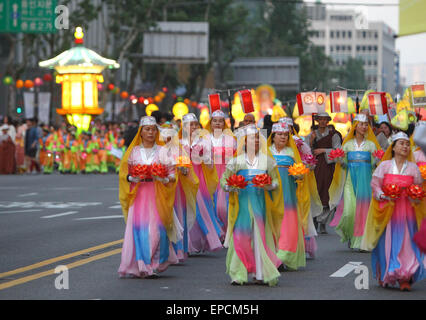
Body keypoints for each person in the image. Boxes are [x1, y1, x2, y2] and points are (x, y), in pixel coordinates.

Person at [361, 132, 425, 291]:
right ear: (393, 147)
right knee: (386, 242)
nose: (405, 146)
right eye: (401, 143)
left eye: (406, 144)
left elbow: (418, 187)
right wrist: (382, 194)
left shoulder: (412, 168)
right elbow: (375, 184)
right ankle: (387, 274)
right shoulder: (385, 166)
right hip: (389, 211)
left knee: (407, 243)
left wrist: (415, 196)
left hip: (407, 213)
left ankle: (405, 276)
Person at [118, 116, 180, 278]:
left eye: (153, 129)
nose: (150, 132)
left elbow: (173, 173)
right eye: (147, 129)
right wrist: (132, 178)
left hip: (157, 194)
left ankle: (153, 263)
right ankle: (144, 266)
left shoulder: (163, 151)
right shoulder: (133, 152)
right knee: (140, 230)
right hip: (138, 194)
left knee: (158, 229)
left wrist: (165, 178)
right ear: (141, 132)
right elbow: (124, 174)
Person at [220, 124, 282, 286]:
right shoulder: (236, 162)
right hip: (241, 207)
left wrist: (269, 186)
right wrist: (230, 187)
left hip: (260, 206)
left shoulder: (268, 162)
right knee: (241, 238)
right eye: (250, 138)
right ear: (244, 142)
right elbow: (224, 181)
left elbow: (275, 181)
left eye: (257, 138)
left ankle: (261, 273)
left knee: (259, 237)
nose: (254, 141)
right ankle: (238, 274)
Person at [329, 114, 381, 250]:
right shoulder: (347, 145)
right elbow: (344, 165)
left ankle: (362, 242)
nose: (364, 127)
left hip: (366, 183)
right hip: (350, 183)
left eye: (366, 124)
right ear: (355, 126)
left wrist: (376, 161)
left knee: (364, 211)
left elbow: (376, 166)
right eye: (361, 124)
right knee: (349, 212)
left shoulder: (371, 145)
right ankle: (350, 234)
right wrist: (339, 160)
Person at [268, 123, 311, 269]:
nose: (283, 137)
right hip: (271, 196)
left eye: (285, 135)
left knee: (288, 228)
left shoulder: (292, 153)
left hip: (288, 197)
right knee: (272, 227)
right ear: (273, 136)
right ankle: (273, 256)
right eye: (279, 134)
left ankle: (283, 257)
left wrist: (299, 176)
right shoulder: (267, 152)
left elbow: (298, 174)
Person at [179, 113, 223, 253]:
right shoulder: (179, 142)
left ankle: (205, 240)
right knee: (186, 210)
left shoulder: (203, 141)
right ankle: (188, 244)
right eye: (189, 125)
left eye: (194, 124)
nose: (192, 127)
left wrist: (204, 157)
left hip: (199, 179)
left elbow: (210, 164)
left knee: (201, 209)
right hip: (184, 179)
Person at [304, 112, 342, 234]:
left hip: (328, 166)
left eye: (324, 120)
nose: (322, 122)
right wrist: (311, 142)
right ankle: (315, 219)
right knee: (316, 191)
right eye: (320, 119)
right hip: (315, 166)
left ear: (328, 121)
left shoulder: (334, 135)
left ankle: (323, 223)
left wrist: (323, 150)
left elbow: (338, 150)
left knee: (327, 192)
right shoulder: (311, 134)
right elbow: (307, 152)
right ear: (316, 121)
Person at [206, 110, 237, 231]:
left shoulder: (231, 139)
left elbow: (234, 158)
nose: (217, 124)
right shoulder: (205, 138)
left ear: (224, 124)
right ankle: (216, 231)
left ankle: (226, 228)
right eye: (215, 121)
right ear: (211, 123)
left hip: (225, 172)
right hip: (209, 173)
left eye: (220, 121)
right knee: (210, 202)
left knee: (223, 205)